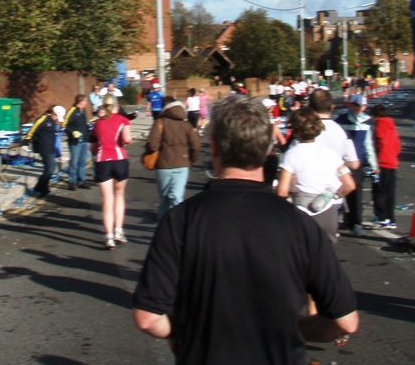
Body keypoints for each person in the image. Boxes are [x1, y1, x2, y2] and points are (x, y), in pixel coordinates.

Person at [133, 94, 359, 362]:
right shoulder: (300, 225)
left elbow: (148, 317)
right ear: (267, 150)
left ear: (214, 147)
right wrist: (292, 328)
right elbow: (345, 321)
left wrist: (184, 333)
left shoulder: (180, 220)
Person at [277, 107, 356, 243]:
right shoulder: (330, 153)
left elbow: (282, 192)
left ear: (295, 130)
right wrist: (331, 195)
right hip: (328, 210)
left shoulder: (291, 154)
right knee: (326, 256)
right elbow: (349, 185)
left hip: (303, 210)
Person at [145, 97, 200, 218]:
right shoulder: (186, 125)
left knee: (164, 198)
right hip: (182, 164)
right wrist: (190, 160)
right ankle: (178, 224)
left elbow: (152, 145)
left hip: (164, 165)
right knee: (177, 196)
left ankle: (164, 226)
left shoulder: (160, 123)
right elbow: (196, 145)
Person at [91, 95, 133, 249]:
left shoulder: (97, 124)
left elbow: (92, 148)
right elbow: (127, 139)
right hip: (120, 159)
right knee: (119, 196)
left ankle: (108, 237)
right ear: (116, 105)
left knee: (107, 200)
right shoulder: (123, 120)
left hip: (102, 162)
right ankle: (119, 231)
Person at [336, 94, 378, 237]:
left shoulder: (366, 122)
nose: (357, 108)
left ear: (365, 107)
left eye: (361, 106)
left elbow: (369, 145)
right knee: (338, 191)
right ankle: (338, 216)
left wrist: (374, 164)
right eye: (355, 105)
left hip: (357, 164)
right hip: (341, 163)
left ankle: (355, 222)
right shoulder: (340, 121)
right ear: (350, 104)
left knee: (356, 194)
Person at [370, 104, 401, 229]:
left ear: (376, 116)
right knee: (390, 192)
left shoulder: (379, 125)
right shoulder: (391, 126)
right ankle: (391, 218)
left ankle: (382, 217)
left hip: (382, 162)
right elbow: (397, 144)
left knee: (380, 191)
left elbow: (380, 142)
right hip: (392, 161)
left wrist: (377, 158)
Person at [28, 105, 66, 198]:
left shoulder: (52, 122)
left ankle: (42, 188)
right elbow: (33, 130)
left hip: (50, 147)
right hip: (43, 147)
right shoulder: (43, 119)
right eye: (57, 117)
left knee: (50, 168)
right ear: (53, 114)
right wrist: (26, 140)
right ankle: (41, 187)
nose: (57, 119)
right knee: (50, 168)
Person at [64, 94, 91, 190]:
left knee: (83, 161)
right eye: (85, 101)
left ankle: (82, 180)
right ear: (81, 102)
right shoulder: (72, 111)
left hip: (84, 140)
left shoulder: (84, 111)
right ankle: (72, 181)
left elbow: (84, 125)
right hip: (75, 141)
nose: (87, 103)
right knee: (74, 162)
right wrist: (72, 132)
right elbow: (64, 125)